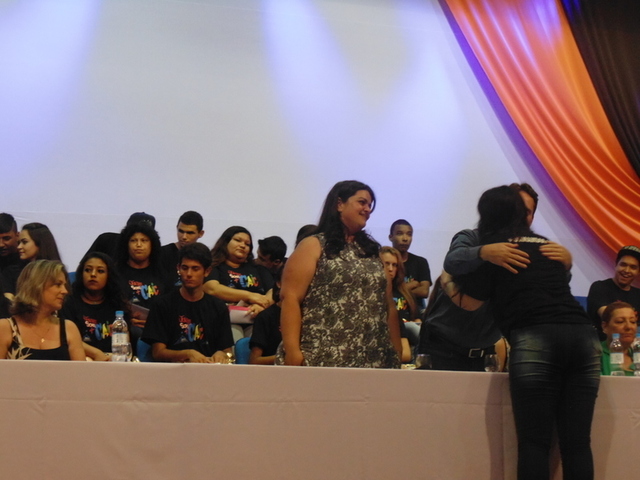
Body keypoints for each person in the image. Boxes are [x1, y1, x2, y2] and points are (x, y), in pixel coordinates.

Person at [441, 185, 600, 480]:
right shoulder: (547, 245)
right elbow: (558, 280)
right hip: (584, 338)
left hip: (536, 337)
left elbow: (471, 303)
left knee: (534, 443)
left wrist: (447, 282)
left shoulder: (496, 252)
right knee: (577, 443)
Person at [420, 182, 571, 372]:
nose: (521, 216)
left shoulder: (532, 249)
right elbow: (452, 261)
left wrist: (565, 265)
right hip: (442, 345)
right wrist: (484, 252)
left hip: (486, 351)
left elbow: (550, 289)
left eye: (527, 212)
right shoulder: (472, 237)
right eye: (518, 209)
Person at [277, 180, 401, 368]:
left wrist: (396, 352)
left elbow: (388, 305)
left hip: (374, 359)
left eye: (370, 205)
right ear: (339, 204)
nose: (367, 209)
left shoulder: (373, 252)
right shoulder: (313, 245)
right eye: (362, 202)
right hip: (322, 357)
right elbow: (290, 298)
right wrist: (293, 351)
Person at [142, 243, 234, 363]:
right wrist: (187, 354)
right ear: (178, 268)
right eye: (185, 268)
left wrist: (222, 354)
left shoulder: (218, 307)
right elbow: (157, 353)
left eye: (195, 269)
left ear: (207, 271)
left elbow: (227, 351)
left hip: (209, 369)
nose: (189, 274)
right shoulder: (162, 305)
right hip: (173, 369)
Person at [0, 260, 85, 360]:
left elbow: (80, 370)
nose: (65, 291)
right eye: (58, 284)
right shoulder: (5, 328)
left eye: (64, 285)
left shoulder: (69, 328)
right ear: (37, 285)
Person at [60, 252, 132, 361]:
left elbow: (123, 344)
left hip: (112, 360)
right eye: (88, 270)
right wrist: (96, 354)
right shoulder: (69, 302)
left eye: (100, 271)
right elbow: (67, 338)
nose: (93, 274)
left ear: (109, 275)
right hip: (79, 360)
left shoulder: (118, 305)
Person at [203, 226, 274, 317]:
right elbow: (211, 289)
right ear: (225, 242)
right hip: (223, 317)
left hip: (256, 317)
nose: (243, 245)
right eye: (238, 240)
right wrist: (249, 296)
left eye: (247, 244)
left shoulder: (258, 269)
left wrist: (262, 305)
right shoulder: (214, 266)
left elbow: (273, 291)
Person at [587, 245, 640, 340]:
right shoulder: (599, 287)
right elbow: (608, 316)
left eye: (633, 267)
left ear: (638, 272)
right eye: (623, 265)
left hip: (630, 346)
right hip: (600, 344)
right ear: (616, 265)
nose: (627, 270)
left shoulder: (638, 294)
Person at [2, 222, 63, 295]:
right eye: (19, 242)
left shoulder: (58, 272)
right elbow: (8, 298)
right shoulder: (11, 272)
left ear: (40, 243)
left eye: (24, 242)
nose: (19, 247)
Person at [379, 246, 415, 363]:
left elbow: (405, 353)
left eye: (394, 265)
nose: (390, 269)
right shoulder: (374, 297)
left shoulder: (405, 293)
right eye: (386, 264)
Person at [388, 219, 432, 306]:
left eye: (409, 234)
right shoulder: (384, 262)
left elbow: (424, 292)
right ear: (391, 237)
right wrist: (411, 285)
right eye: (399, 234)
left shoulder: (420, 262)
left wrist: (394, 291)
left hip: (416, 313)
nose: (405, 238)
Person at [85, 212, 156, 260]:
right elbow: (86, 266)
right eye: (133, 239)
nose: (139, 244)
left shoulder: (154, 252)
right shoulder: (106, 240)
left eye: (144, 239)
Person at [160, 211, 205, 286]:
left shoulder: (204, 256)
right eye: (181, 231)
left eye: (190, 233)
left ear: (201, 233)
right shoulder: (162, 253)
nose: (184, 237)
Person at [249, 272, 283, 365]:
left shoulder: (308, 314)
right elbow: (254, 361)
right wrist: (284, 358)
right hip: (274, 370)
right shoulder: (266, 316)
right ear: (279, 283)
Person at [599, 301, 637, 376]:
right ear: (605, 326)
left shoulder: (637, 354)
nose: (629, 327)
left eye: (632, 321)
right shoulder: (594, 355)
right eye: (620, 322)